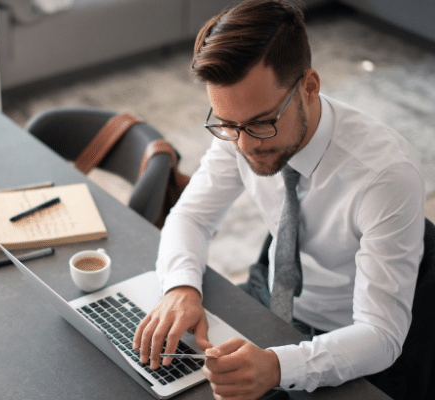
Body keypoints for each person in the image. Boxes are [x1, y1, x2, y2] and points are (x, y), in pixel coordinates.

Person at [133, 0, 426, 398]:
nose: (245, 145)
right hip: (267, 295)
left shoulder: (385, 177)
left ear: (309, 87)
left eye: (262, 123)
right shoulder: (240, 130)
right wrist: (181, 288)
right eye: (228, 124)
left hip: (345, 338)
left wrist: (277, 366)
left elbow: (382, 335)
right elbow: (190, 217)